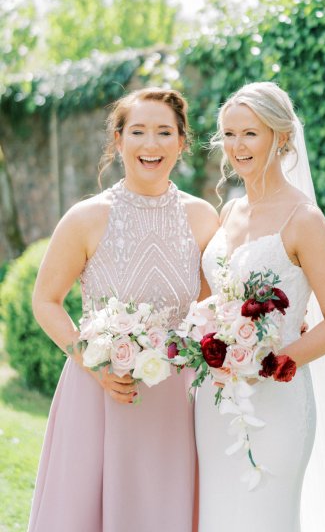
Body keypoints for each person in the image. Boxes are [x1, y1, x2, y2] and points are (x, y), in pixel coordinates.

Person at [28, 87, 219, 532]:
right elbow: (45, 300)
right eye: (137, 131)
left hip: (178, 403)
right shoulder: (85, 218)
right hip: (101, 394)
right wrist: (90, 361)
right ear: (118, 141)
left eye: (163, 132)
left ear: (181, 142)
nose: (150, 145)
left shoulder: (206, 218)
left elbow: (210, 310)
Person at [195, 81, 325, 531]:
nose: (237, 146)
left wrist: (273, 359)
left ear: (280, 138)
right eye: (229, 134)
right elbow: (210, 302)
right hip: (215, 398)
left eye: (250, 133)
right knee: (218, 512)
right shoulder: (228, 213)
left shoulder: (305, 220)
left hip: (276, 396)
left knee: (267, 516)